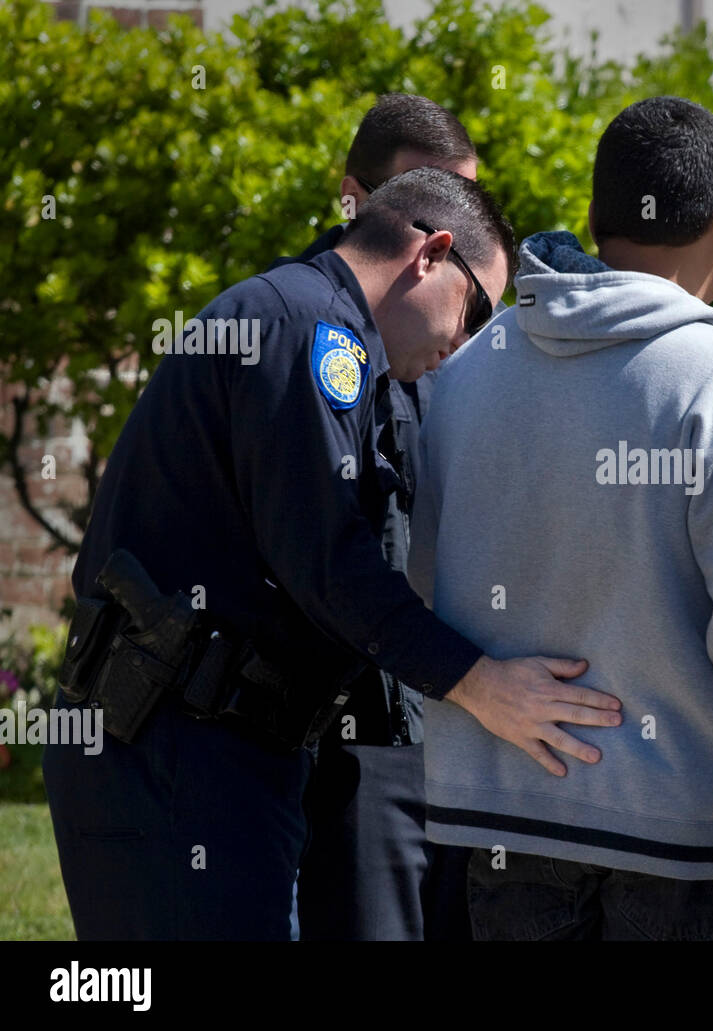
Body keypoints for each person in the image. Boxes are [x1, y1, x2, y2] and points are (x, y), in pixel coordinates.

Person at [43, 166, 621, 941]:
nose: (462, 346)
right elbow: (329, 565)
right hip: (173, 750)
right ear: (431, 253)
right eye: (475, 311)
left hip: (220, 750)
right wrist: (482, 685)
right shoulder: (307, 329)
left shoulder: (316, 327)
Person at [409, 96, 713, 941]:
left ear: (594, 217)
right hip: (688, 845)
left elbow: (420, 585)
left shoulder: (463, 373)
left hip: (499, 825)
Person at [270, 94, 480, 942]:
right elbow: (327, 555)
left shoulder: (465, 329)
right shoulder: (304, 328)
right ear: (356, 200)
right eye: (427, 203)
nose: (451, 236)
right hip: (350, 728)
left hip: (452, 715)